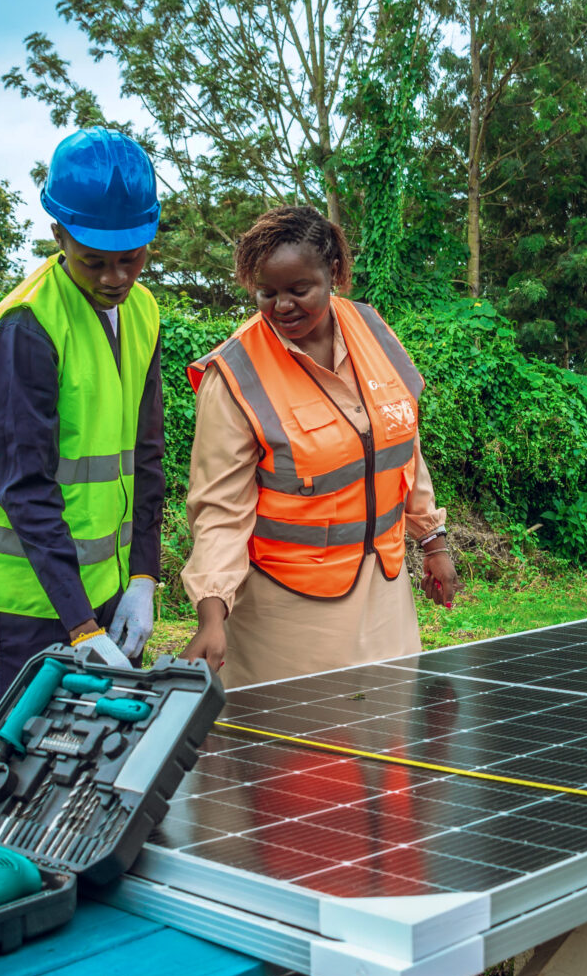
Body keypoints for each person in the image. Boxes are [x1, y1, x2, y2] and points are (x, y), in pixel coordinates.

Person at [182, 205, 458, 687]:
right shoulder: (234, 376)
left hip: (385, 593)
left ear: (332, 274)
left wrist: (431, 539)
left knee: (388, 742)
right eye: (266, 293)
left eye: (298, 290)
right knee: (305, 754)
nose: (281, 306)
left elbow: (401, 443)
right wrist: (211, 613)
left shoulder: (373, 331)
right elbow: (219, 511)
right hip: (288, 613)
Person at [0, 127, 165, 720]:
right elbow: (25, 486)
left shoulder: (144, 312)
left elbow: (145, 452)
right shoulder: (25, 327)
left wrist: (145, 576)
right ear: (59, 235)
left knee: (92, 758)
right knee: (18, 771)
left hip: (107, 589)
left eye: (131, 259)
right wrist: (78, 626)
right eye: (94, 261)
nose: (115, 278)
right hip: (28, 599)